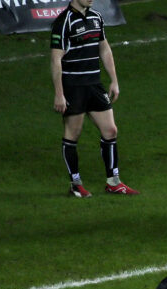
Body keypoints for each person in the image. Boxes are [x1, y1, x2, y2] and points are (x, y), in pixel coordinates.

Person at [50, 0, 137, 197]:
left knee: (110, 130)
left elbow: (104, 48)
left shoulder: (96, 17)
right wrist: (59, 93)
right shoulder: (64, 22)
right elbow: (56, 59)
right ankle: (75, 184)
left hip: (94, 84)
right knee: (73, 134)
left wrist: (113, 80)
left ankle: (113, 182)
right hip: (74, 87)